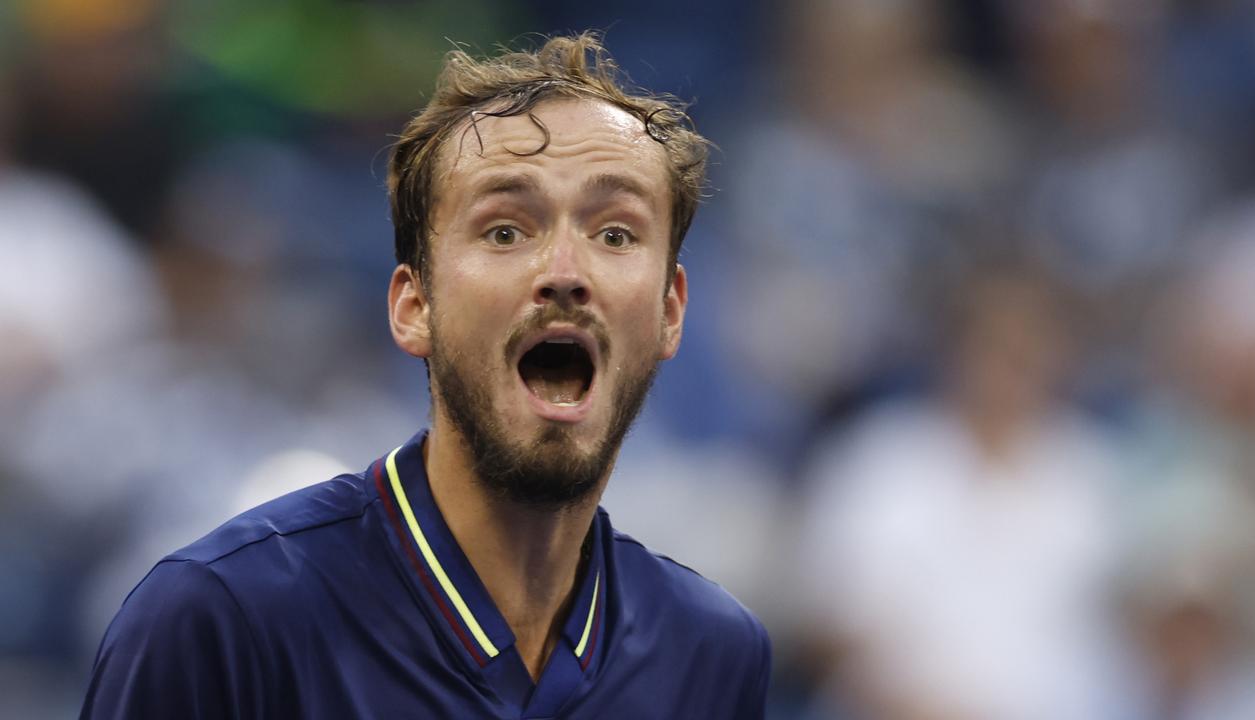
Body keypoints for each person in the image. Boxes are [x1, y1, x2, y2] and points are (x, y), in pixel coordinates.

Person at [79, 33, 771, 719]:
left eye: (615, 233)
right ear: (415, 308)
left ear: (671, 311)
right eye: (505, 231)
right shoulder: (220, 622)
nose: (565, 273)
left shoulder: (712, 652)